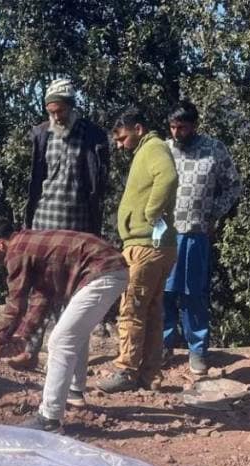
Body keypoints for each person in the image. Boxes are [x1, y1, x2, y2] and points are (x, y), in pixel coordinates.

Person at [0, 219, 128, 433]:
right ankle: (74, 393)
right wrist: (22, 337)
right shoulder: (30, 248)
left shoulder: (17, 251)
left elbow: (16, 303)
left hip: (103, 272)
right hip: (109, 270)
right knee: (75, 333)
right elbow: (42, 297)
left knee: (59, 342)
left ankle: (49, 419)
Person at [11, 78, 111, 370]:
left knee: (71, 290)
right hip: (43, 221)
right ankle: (29, 349)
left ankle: (66, 358)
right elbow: (35, 179)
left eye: (60, 111)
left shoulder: (92, 135)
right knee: (39, 287)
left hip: (77, 224)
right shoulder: (41, 134)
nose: (56, 116)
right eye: (51, 111)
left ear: (71, 106)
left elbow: (98, 183)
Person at [97, 106, 178, 393]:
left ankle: (126, 370)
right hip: (157, 246)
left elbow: (167, 177)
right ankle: (149, 375)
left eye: (121, 138)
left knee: (131, 309)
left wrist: (151, 212)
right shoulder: (149, 150)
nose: (120, 146)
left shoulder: (153, 148)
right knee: (153, 310)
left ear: (138, 129)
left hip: (145, 245)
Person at [163, 101, 242, 375]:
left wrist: (213, 216)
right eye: (172, 127)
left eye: (181, 127)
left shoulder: (214, 149)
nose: (176, 133)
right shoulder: (164, 149)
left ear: (194, 125)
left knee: (193, 293)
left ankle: (197, 350)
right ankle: (163, 346)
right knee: (164, 292)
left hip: (196, 232)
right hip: (164, 233)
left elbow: (233, 185)